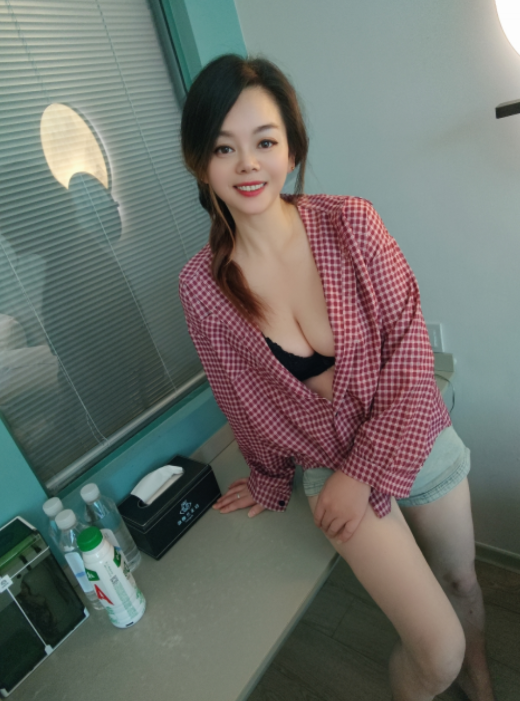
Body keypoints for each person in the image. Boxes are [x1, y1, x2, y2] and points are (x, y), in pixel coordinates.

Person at [178, 54, 494, 701]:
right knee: (437, 653)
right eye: (223, 147)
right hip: (327, 461)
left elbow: (410, 357)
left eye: (265, 142)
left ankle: (483, 680)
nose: (247, 164)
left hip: (409, 427)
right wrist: (269, 479)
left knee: (462, 579)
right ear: (200, 163)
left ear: (292, 148)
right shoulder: (201, 289)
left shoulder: (352, 223)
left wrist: (364, 468)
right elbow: (241, 401)